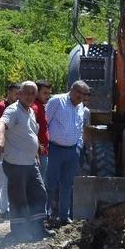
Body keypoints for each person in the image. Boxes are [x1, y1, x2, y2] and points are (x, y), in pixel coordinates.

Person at [0, 81, 53, 240]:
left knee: (40, 194)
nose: (30, 96)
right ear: (19, 94)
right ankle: (19, 232)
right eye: (26, 93)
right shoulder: (13, 110)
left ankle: (37, 228)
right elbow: (1, 123)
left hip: (30, 163)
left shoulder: (30, 112)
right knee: (19, 198)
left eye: (33, 93)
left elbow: (30, 134)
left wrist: (35, 152)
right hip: (15, 163)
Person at [44, 80, 90, 226]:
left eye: (84, 94)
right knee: (50, 184)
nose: (81, 96)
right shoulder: (57, 101)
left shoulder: (81, 106)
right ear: (71, 90)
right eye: (79, 92)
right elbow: (44, 123)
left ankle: (64, 216)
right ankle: (46, 215)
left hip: (72, 151)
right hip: (55, 149)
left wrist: (79, 145)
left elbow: (80, 127)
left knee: (67, 185)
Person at [0, 83, 19, 222]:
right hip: (0, 150)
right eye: (15, 93)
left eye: (19, 93)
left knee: (8, 181)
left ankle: (4, 210)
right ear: (9, 92)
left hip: (12, 151)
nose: (17, 96)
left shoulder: (19, 108)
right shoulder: (1, 106)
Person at [32, 80, 52, 181]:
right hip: (38, 152)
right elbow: (30, 129)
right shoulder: (35, 108)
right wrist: (38, 145)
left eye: (49, 93)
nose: (48, 96)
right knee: (39, 183)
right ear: (36, 92)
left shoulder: (41, 106)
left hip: (43, 151)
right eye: (45, 93)